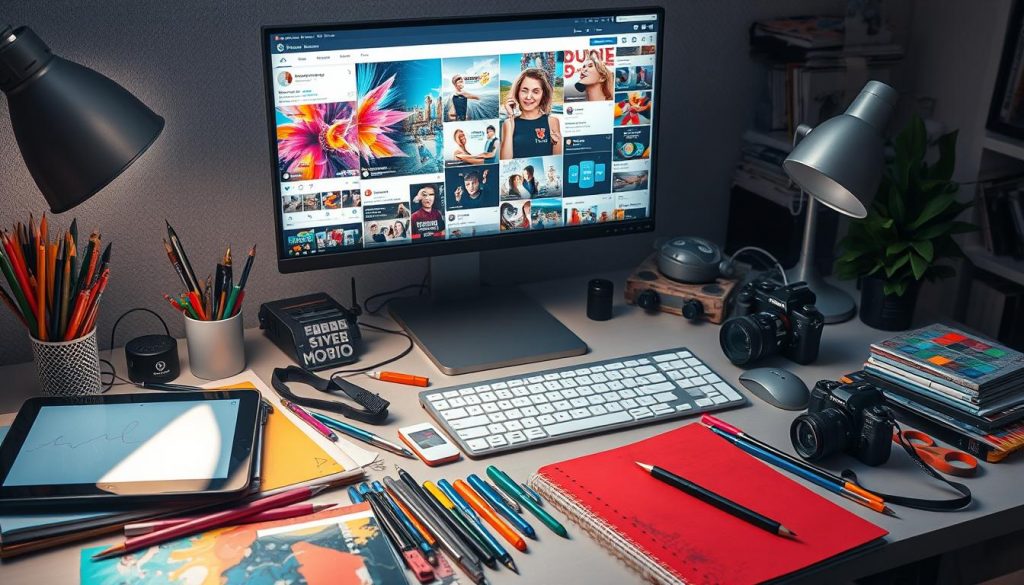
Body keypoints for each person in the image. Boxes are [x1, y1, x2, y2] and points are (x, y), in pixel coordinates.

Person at [501, 68, 562, 160]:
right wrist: (511, 117)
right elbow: (505, 161)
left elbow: (557, 160)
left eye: (536, 91)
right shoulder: (509, 123)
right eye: (524, 90)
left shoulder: (552, 122)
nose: (528, 97)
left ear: (543, 95)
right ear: (518, 92)